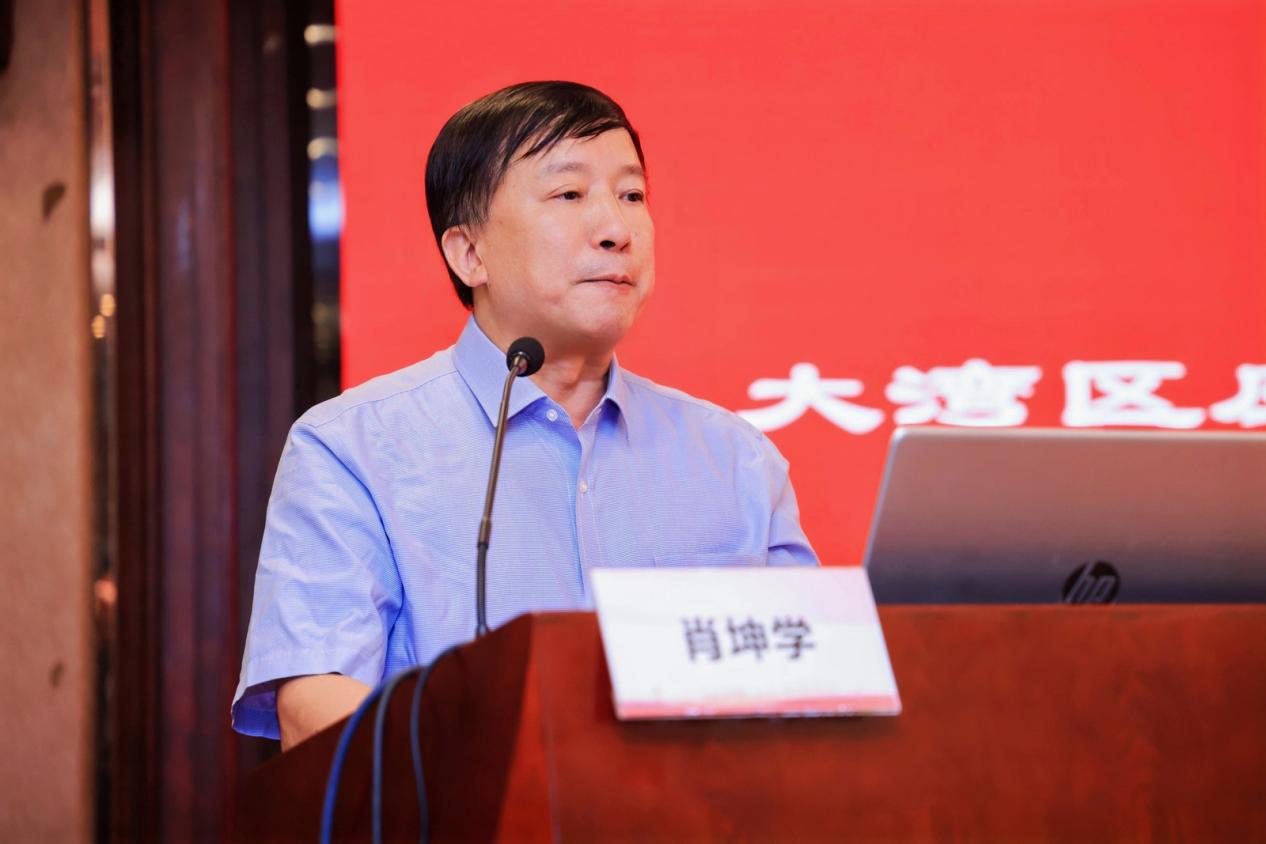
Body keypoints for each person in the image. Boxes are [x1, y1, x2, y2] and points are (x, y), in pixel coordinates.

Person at [232, 81, 818, 749]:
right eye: (569, 195)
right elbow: (314, 703)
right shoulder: (350, 447)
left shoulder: (736, 459)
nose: (616, 230)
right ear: (469, 253)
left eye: (631, 195)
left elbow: (818, 688)